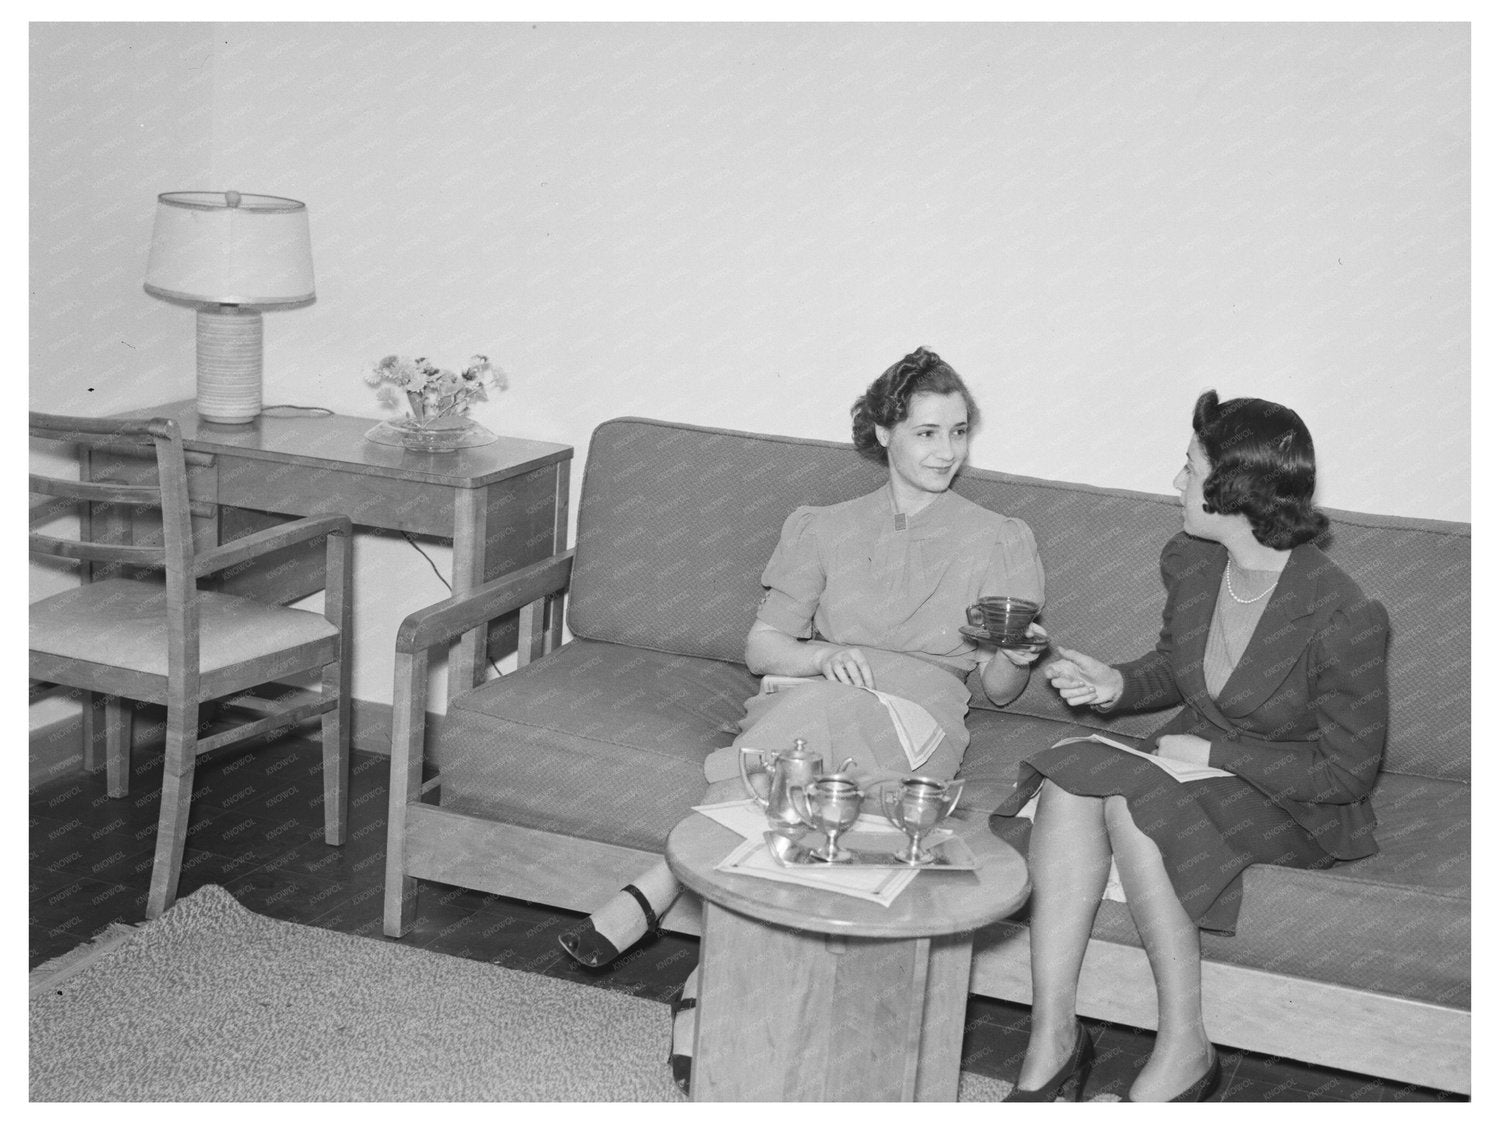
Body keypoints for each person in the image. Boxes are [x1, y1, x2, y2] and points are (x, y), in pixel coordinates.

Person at [556, 347, 1047, 1093]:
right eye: (926, 432)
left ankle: (656, 893)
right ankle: (703, 983)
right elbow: (763, 647)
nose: (947, 451)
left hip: (918, 720)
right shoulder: (823, 526)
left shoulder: (998, 538)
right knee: (815, 715)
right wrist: (824, 657)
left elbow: (1004, 689)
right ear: (884, 432)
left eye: (959, 431)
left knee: (808, 728)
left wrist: (1015, 648)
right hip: (812, 700)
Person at [992, 391, 1389, 1102]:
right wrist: (1116, 683)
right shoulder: (1194, 561)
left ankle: (1184, 1047)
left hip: (1292, 800)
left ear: (1233, 487)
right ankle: (1051, 1035)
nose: (1177, 483)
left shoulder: (1343, 614)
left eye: (1189, 467)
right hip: (1192, 765)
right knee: (1070, 781)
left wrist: (1211, 758)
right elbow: (1177, 666)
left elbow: (1347, 772)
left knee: (1135, 806)